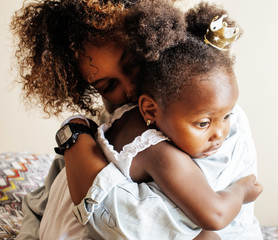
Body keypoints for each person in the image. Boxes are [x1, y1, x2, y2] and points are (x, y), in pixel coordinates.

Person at [10, 0, 262, 239]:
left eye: (131, 64)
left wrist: (76, 138)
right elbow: (42, 199)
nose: (130, 89)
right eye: (107, 85)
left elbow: (134, 224)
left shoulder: (212, 119)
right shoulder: (109, 122)